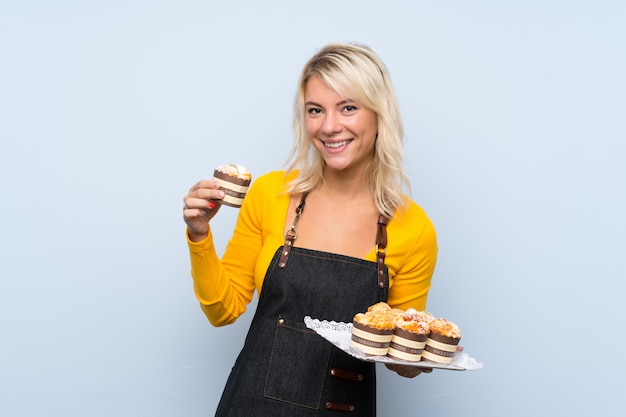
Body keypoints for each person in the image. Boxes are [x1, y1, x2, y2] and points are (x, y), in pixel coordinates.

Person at [182, 42, 438, 417]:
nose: (329, 126)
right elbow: (223, 310)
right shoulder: (270, 194)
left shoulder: (413, 228)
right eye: (315, 110)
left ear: (379, 115)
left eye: (348, 107)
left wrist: (416, 358)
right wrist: (200, 235)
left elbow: (401, 353)